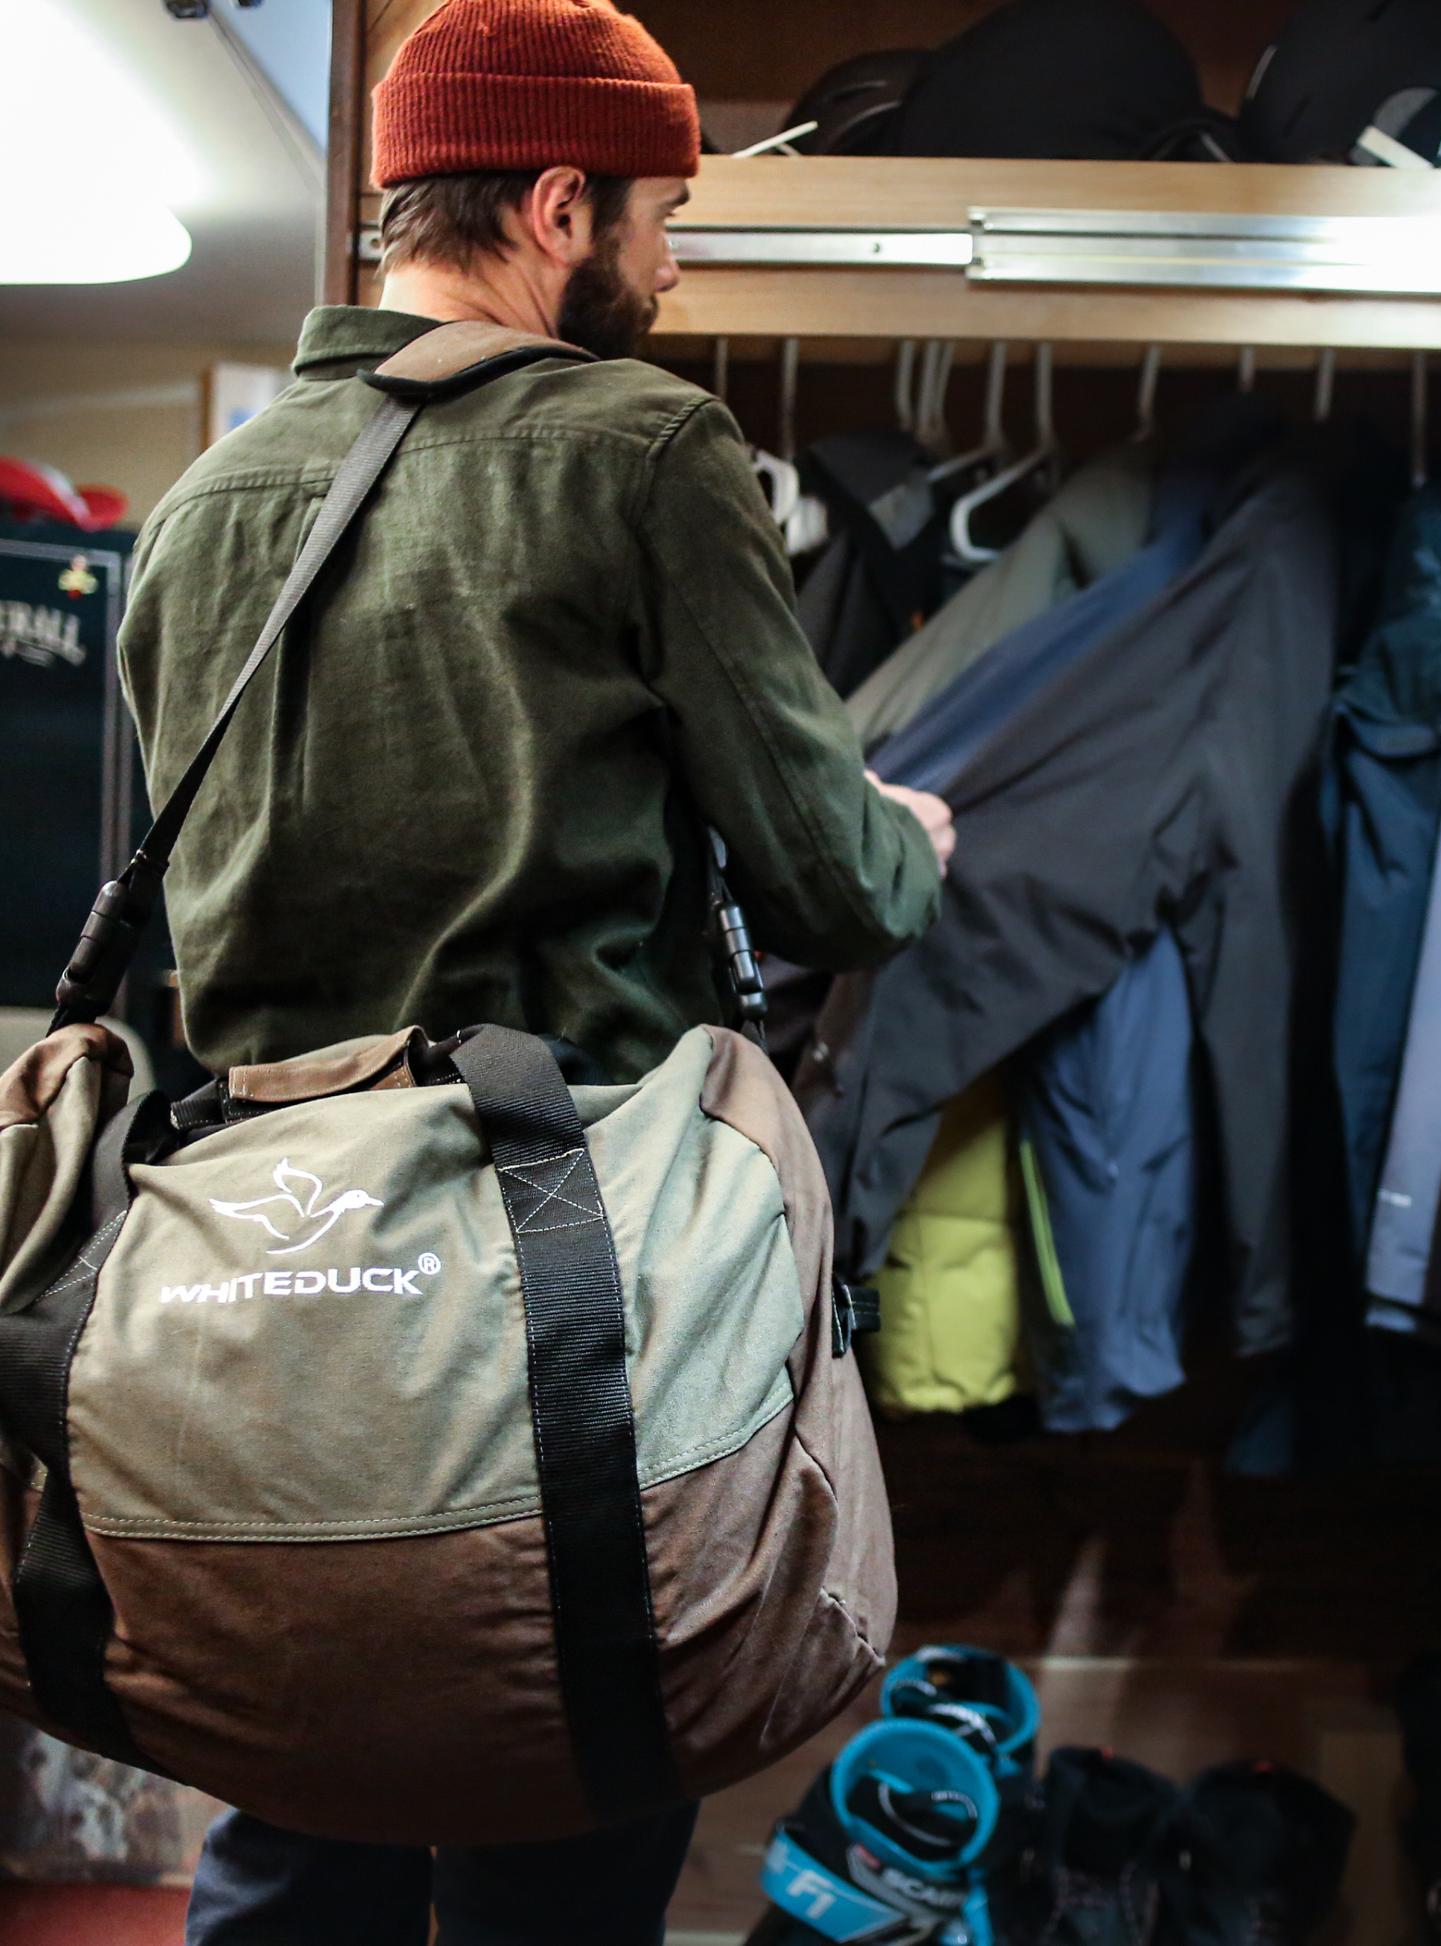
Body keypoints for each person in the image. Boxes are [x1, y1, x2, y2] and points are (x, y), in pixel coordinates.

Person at [115, 0, 954, 1939]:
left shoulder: (197, 513)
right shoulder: (646, 449)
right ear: (558, 206)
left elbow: (184, 913)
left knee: (297, 1819)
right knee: (564, 1820)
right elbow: (830, 886)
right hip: (565, 1282)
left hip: (278, 1289)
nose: (670, 268)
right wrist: (903, 838)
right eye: (663, 220)